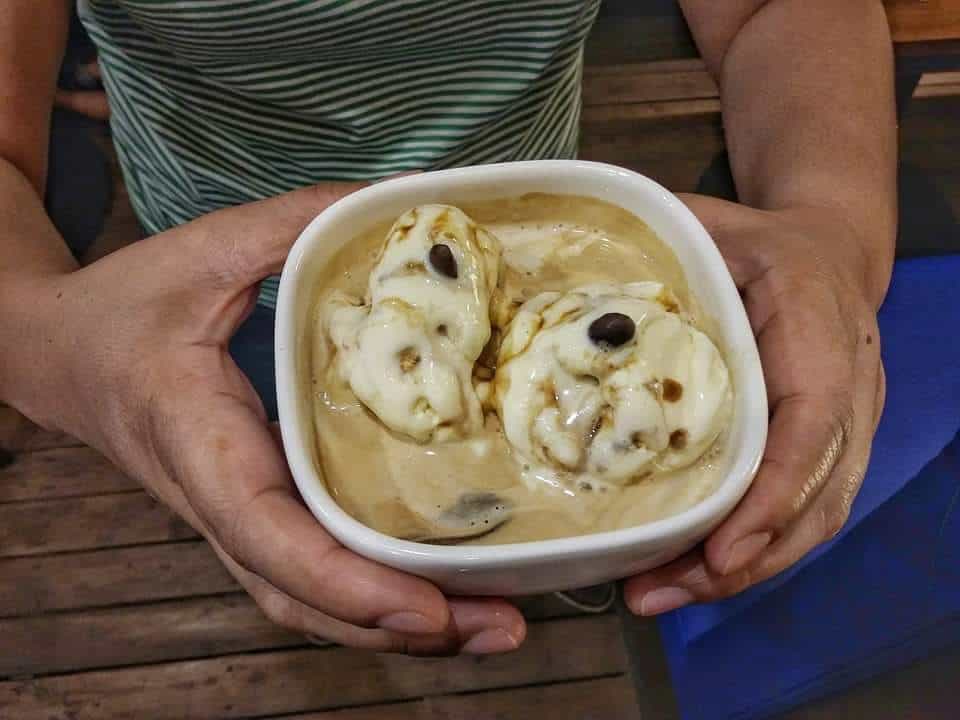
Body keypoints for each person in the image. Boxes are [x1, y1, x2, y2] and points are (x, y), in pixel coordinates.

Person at [0, 1, 895, 656]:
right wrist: (44, 339)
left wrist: (831, 233)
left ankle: (556, 565)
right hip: (201, 296)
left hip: (553, 228)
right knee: (267, 507)